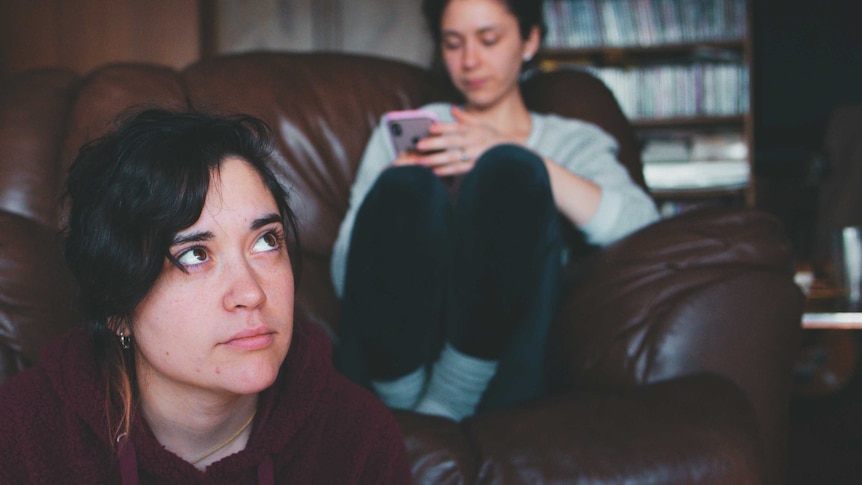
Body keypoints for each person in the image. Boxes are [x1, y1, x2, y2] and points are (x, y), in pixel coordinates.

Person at [0, 110, 412, 484]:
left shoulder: (357, 437)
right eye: (195, 255)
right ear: (116, 307)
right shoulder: (21, 436)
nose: (251, 293)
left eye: (267, 241)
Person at [332, 0, 660, 421]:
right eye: (453, 44)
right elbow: (345, 274)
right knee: (406, 185)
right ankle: (404, 396)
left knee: (512, 170)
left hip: (505, 358)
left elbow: (644, 229)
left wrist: (517, 155)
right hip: (395, 353)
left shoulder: (572, 141)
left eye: (489, 40)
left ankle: (452, 393)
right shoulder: (413, 131)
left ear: (529, 40)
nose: (470, 61)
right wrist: (391, 196)